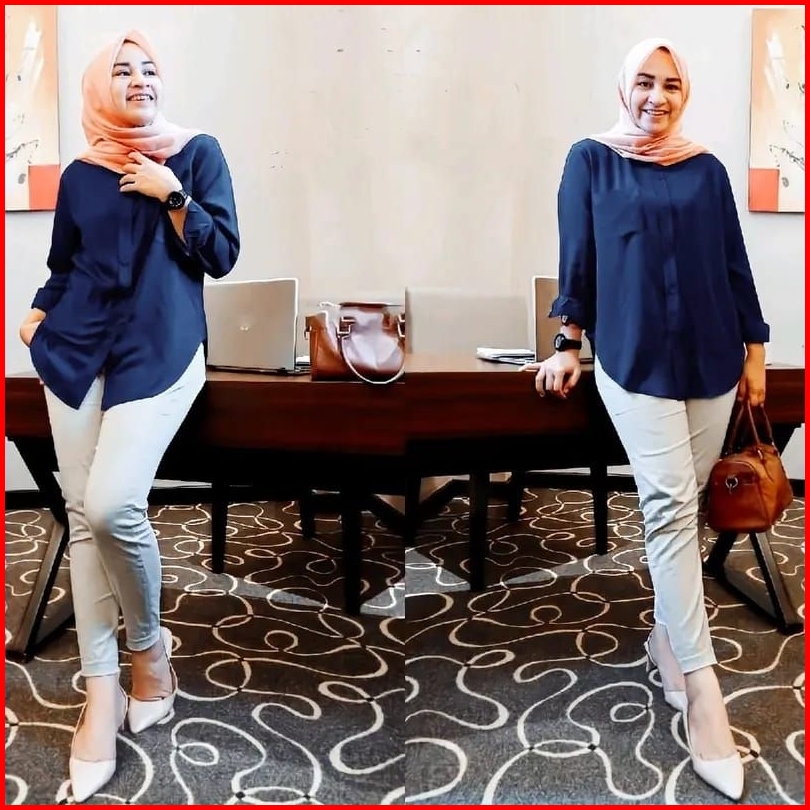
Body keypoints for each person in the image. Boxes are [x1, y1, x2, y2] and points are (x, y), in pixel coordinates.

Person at [523, 38, 768, 801]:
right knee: (666, 507)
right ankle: (704, 691)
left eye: (670, 85)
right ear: (622, 88)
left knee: (686, 508)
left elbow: (733, 261)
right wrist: (567, 343)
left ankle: (666, 639)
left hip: (713, 357)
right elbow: (578, 258)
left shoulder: (706, 169)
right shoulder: (590, 161)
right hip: (633, 358)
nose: (656, 97)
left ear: (684, 94)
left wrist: (755, 348)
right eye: (643, 82)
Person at [18, 31, 240, 802]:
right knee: (83, 518)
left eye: (148, 67)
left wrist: (170, 194)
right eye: (122, 68)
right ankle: (101, 687)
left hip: (160, 347)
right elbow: (64, 264)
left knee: (114, 506)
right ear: (98, 87)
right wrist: (38, 313)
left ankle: (151, 653)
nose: (139, 78)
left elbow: (222, 255)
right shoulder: (81, 175)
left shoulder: (196, 153)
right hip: (76, 348)